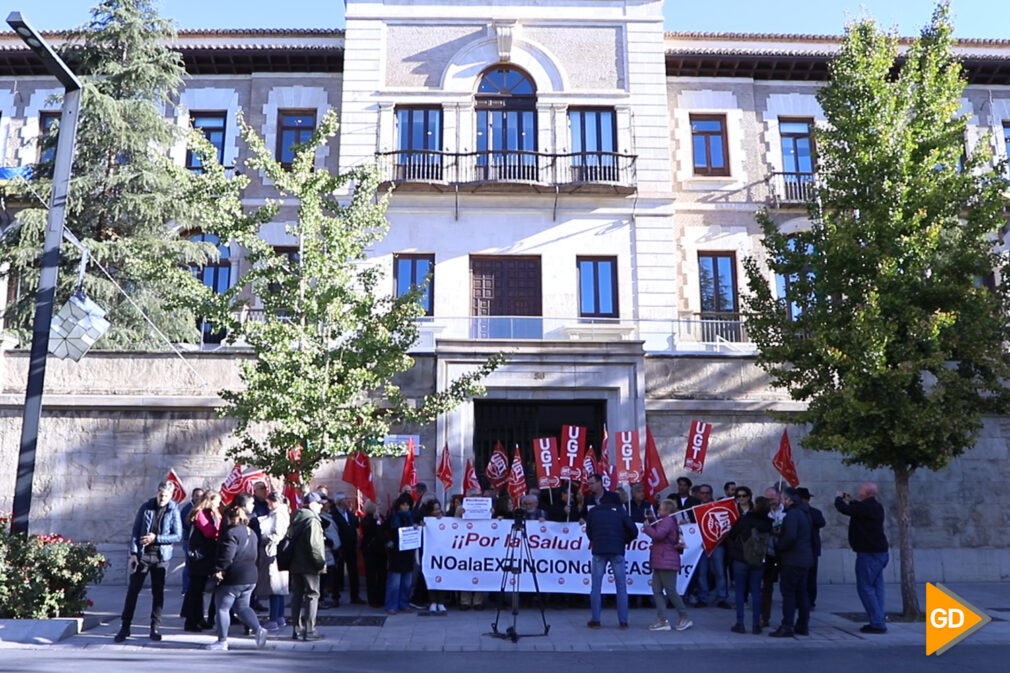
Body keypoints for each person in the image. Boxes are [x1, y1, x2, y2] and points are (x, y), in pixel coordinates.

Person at [115, 481, 182, 643]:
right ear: (157, 492)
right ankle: (125, 627)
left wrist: (156, 538)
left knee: (158, 593)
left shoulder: (173, 510)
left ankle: (155, 627)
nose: (162, 498)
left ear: (171, 495)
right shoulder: (146, 507)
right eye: (160, 494)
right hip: (143, 555)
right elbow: (136, 531)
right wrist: (133, 553)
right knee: (133, 591)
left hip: (160, 557)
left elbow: (178, 535)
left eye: (166, 496)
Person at [205, 504, 268, 650]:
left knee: (222, 607)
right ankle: (258, 629)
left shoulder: (231, 533)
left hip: (234, 576)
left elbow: (227, 556)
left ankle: (222, 641)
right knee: (243, 606)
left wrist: (219, 569)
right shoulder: (251, 532)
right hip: (251, 575)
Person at [835, 482, 889, 634]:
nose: (859, 490)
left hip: (869, 553)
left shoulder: (866, 507)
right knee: (877, 587)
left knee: (865, 587)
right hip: (880, 553)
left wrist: (838, 499)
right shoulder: (875, 506)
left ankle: (877, 622)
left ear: (866, 492)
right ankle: (878, 618)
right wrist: (851, 500)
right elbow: (858, 510)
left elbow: (845, 510)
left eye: (860, 489)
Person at [584, 490, 638, 629]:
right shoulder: (620, 511)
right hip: (617, 550)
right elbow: (633, 530)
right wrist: (623, 541)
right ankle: (623, 621)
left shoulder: (594, 511)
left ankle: (595, 620)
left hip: (599, 550)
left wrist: (596, 540)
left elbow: (589, 532)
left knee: (596, 586)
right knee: (621, 586)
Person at [641, 498, 692, 632]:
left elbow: (659, 535)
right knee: (657, 590)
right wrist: (652, 522)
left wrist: (647, 528)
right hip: (661, 558)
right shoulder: (665, 520)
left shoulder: (668, 520)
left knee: (670, 590)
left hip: (666, 558)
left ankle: (684, 617)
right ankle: (662, 619)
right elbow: (660, 531)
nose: (658, 510)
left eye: (660, 508)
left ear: (666, 509)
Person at [769, 487, 813, 637]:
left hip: (793, 559)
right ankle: (802, 624)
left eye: (783, 499)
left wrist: (778, 545)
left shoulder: (793, 514)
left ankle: (787, 625)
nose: (782, 501)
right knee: (802, 593)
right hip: (804, 559)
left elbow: (790, 537)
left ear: (789, 500)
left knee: (789, 594)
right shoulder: (805, 513)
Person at [726, 493, 772, 634]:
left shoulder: (745, 519)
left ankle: (740, 623)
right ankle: (756, 624)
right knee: (756, 592)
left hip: (741, 558)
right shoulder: (768, 523)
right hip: (758, 560)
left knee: (740, 592)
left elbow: (732, 534)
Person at [289, 492, 327, 641]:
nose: (321, 506)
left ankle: (296, 630)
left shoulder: (296, 517)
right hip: (309, 565)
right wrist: (320, 564)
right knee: (312, 595)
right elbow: (315, 545)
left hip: (295, 563)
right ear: (312, 505)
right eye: (319, 504)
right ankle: (309, 631)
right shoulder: (312, 520)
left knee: (297, 595)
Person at [182, 490, 222, 632]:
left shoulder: (211, 513)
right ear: (209, 500)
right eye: (216, 501)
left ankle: (199, 619)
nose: (218, 504)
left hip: (207, 556)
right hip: (199, 558)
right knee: (195, 591)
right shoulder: (199, 514)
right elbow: (209, 532)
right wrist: (219, 527)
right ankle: (191, 621)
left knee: (201, 591)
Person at [257, 491, 290, 631]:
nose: (268, 505)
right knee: (278, 588)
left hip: (273, 553)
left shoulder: (279, 514)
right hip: (275, 553)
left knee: (274, 587)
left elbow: (277, 535)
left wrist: (262, 536)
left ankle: (274, 619)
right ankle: (279, 617)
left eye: (269, 502)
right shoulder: (279, 513)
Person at [694, 484, 730, 609]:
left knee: (720, 572)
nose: (705, 495)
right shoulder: (694, 508)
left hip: (717, 544)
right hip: (700, 545)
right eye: (702, 493)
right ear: (699, 494)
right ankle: (702, 598)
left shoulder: (718, 507)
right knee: (702, 573)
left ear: (711, 494)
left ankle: (721, 598)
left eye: (707, 493)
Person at [385, 493, 418, 615]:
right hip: (396, 554)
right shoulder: (393, 517)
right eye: (404, 505)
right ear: (399, 505)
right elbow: (384, 531)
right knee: (395, 583)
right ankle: (392, 605)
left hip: (408, 554)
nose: (406, 507)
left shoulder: (411, 518)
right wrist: (388, 542)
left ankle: (404, 603)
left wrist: (416, 527)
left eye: (408, 505)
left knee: (406, 583)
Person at [332, 492, 365, 605]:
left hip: (350, 547)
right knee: (337, 573)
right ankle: (335, 597)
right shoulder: (333, 515)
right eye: (346, 499)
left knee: (353, 572)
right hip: (338, 548)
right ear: (340, 502)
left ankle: (355, 596)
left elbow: (355, 528)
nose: (348, 501)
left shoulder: (350, 515)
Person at [797, 487, 826, 609]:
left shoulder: (812, 512)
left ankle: (808, 601)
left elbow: (821, 523)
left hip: (808, 548)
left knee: (808, 576)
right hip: (806, 548)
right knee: (807, 577)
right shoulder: (812, 512)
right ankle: (807, 600)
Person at [760, 485, 784, 627]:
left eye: (773, 498)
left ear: (779, 497)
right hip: (768, 554)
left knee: (787, 588)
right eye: (767, 499)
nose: (771, 501)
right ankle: (765, 617)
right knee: (766, 587)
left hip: (784, 554)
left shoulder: (787, 511)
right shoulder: (763, 512)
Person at [421, 499, 449, 613]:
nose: (438, 511)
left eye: (439, 508)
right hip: (430, 553)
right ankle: (432, 601)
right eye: (435, 509)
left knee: (443, 577)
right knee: (431, 577)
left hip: (443, 553)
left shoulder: (446, 520)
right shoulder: (426, 521)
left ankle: (441, 602)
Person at [361, 501, 388, 608]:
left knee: (382, 574)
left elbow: (384, 529)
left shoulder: (381, 517)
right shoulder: (367, 519)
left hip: (381, 550)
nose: (379, 508)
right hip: (370, 550)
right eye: (377, 506)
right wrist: (375, 521)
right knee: (371, 575)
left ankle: (382, 597)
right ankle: (373, 599)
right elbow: (370, 530)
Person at [179, 487, 204, 596]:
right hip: (189, 540)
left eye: (201, 496)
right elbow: (185, 525)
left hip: (201, 541)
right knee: (189, 564)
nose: (199, 498)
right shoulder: (187, 509)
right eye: (197, 496)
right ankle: (186, 589)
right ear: (193, 496)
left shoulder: (203, 508)